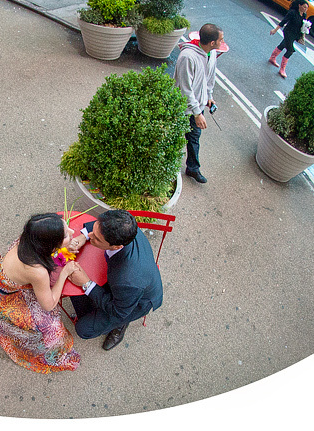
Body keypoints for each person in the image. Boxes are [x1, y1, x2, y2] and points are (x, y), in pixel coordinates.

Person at [0, 213, 81, 373]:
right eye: (66, 234)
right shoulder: (38, 272)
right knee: (51, 328)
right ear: (50, 246)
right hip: (1, 301)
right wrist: (65, 273)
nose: (72, 232)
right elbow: (49, 304)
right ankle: (52, 356)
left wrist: (63, 247)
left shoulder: (29, 239)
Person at [66, 210, 163, 351]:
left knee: (83, 328)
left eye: (97, 239)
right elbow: (100, 226)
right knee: (78, 293)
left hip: (134, 303)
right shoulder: (124, 227)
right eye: (93, 232)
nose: (92, 237)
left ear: (116, 246)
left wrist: (86, 283)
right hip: (126, 282)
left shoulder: (127, 280)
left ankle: (120, 325)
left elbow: (119, 311)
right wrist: (83, 236)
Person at [173, 23, 225, 184]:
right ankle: (167, 166)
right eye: (221, 39)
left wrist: (209, 96)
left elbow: (209, 78)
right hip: (183, 108)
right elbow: (184, 88)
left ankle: (192, 169)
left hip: (198, 106)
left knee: (194, 138)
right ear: (211, 42)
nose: (222, 42)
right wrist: (197, 113)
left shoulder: (212, 53)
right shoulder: (188, 57)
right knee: (174, 137)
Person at [268, 0, 309, 79]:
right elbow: (284, 21)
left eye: (306, 8)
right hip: (288, 32)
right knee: (290, 50)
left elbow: (303, 25)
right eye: (304, 7)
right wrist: (275, 30)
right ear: (299, 5)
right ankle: (282, 69)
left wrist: (303, 35)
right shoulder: (292, 13)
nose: (305, 9)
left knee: (283, 44)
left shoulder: (304, 15)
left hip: (295, 34)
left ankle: (272, 58)